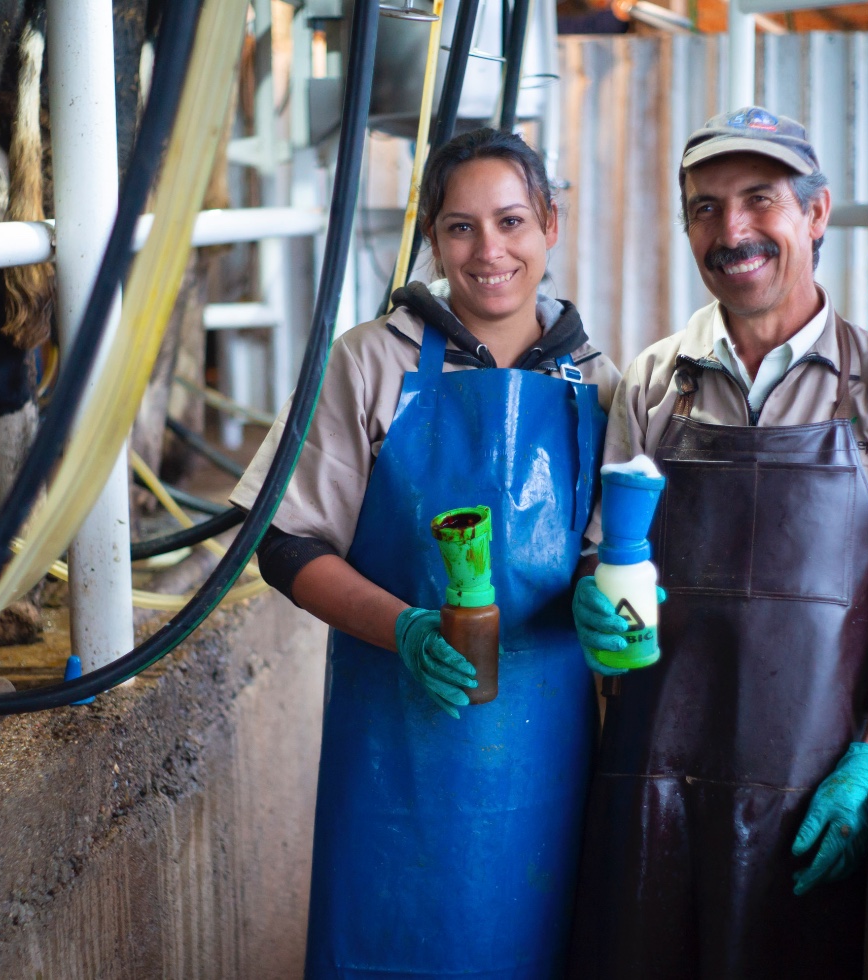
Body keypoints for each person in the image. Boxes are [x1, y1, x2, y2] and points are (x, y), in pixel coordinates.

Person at [567, 107, 868, 979]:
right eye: (705, 208)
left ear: (815, 214)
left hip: (806, 783)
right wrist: (591, 601)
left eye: (759, 200)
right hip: (651, 776)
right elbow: (604, 554)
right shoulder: (652, 382)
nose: (732, 231)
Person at [231, 127, 620, 979]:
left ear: (551, 223)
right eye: (460, 227)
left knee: (528, 936)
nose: (490, 251)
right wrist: (404, 629)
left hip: (541, 747)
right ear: (434, 239)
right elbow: (288, 543)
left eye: (512, 221)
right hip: (391, 745)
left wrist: (606, 600)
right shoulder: (371, 361)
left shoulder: (600, 383)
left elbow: (608, 556)